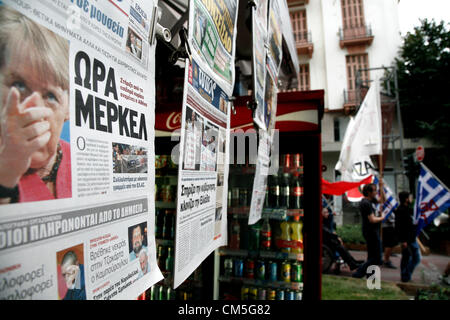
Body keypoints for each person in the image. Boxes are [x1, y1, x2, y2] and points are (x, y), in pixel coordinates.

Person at [0, 6, 71, 204]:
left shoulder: (78, 162)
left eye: (50, 96)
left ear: (68, 110)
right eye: (19, 85)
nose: (33, 108)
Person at [352, 183, 386, 278]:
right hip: (370, 232)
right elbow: (372, 219)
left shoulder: (371, 201)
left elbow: (383, 200)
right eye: (374, 190)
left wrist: (382, 187)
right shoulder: (365, 203)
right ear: (368, 192)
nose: (376, 192)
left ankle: (370, 276)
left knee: (372, 256)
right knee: (377, 257)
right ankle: (359, 272)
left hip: (373, 231)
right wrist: (382, 218)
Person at [395, 191, 421, 282]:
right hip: (407, 240)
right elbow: (399, 227)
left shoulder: (407, 209)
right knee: (412, 258)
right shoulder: (401, 210)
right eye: (410, 197)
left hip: (411, 239)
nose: (411, 199)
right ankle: (405, 276)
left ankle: (406, 276)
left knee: (410, 258)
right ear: (406, 199)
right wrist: (403, 240)